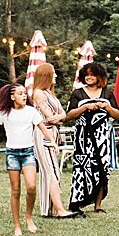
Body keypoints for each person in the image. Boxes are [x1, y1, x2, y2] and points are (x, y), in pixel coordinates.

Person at [0, 84, 52, 236]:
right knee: (16, 190)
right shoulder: (5, 114)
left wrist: (51, 141)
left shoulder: (31, 112)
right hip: (12, 154)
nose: (24, 96)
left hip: (28, 153)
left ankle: (29, 217)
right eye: (20, 94)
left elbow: (43, 128)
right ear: (12, 97)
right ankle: (17, 225)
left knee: (31, 187)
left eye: (25, 93)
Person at [64, 61, 119, 213]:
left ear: (99, 76)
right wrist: (84, 107)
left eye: (92, 74)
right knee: (82, 168)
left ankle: (98, 205)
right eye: (86, 75)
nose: (89, 77)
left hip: (102, 137)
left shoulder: (107, 93)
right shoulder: (78, 93)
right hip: (83, 137)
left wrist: (107, 107)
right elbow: (69, 115)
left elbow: (117, 114)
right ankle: (78, 202)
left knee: (102, 167)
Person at [28, 64, 82, 220]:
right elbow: (51, 116)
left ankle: (50, 209)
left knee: (52, 170)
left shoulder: (49, 93)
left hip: (53, 132)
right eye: (53, 73)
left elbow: (61, 114)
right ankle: (59, 210)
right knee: (50, 170)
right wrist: (60, 118)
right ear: (46, 75)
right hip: (44, 133)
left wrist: (60, 117)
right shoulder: (38, 93)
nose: (56, 76)